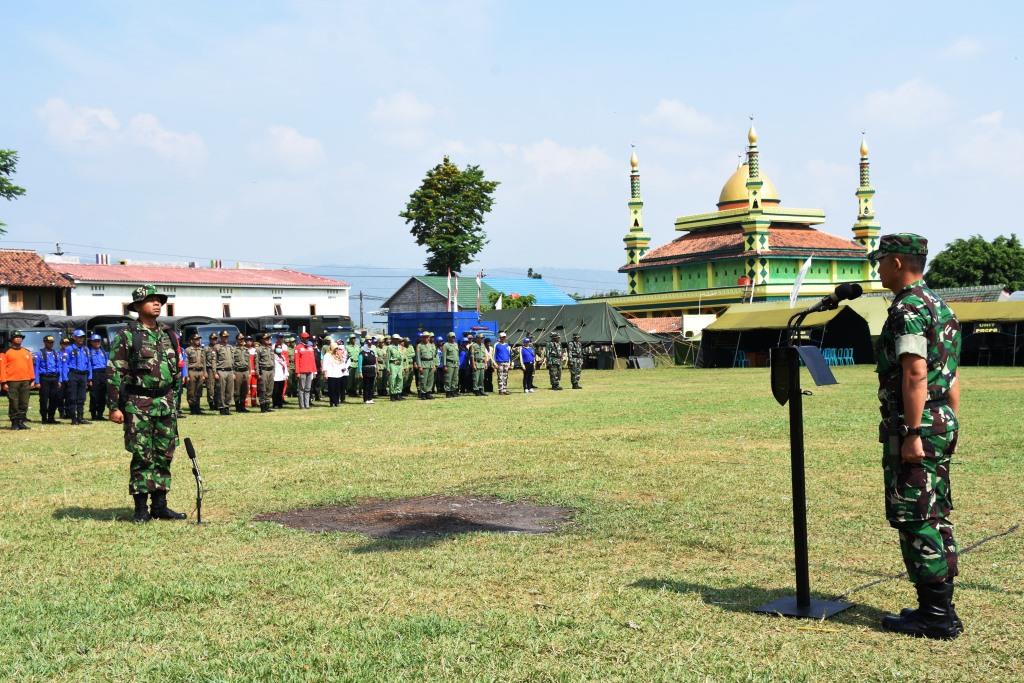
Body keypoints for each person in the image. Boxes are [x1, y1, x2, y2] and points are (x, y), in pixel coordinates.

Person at [870, 234, 963, 640]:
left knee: (915, 516)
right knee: (934, 513)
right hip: (940, 418)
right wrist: (945, 423)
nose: (877, 269)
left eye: (880, 262)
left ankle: (935, 618)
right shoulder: (940, 306)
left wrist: (913, 432)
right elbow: (953, 375)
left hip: (917, 423)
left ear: (895, 263)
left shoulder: (908, 307)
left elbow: (914, 372)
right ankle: (939, 608)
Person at [107, 285, 186, 523]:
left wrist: (174, 400)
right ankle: (141, 509)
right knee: (142, 455)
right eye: (151, 300)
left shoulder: (169, 334)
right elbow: (114, 372)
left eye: (159, 300)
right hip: (138, 404)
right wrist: (114, 407)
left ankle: (160, 505)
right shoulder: (127, 336)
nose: (157, 304)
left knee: (165, 454)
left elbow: (176, 372)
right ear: (138, 306)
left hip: (165, 403)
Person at [2, 330, 36, 430]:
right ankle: (14, 422)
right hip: (12, 381)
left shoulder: (26, 352)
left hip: (25, 381)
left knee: (24, 402)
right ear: (12, 339)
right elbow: (2, 368)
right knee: (14, 402)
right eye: (16, 337)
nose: (19, 339)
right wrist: (3, 382)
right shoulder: (6, 352)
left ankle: (21, 422)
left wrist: (32, 379)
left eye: (20, 337)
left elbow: (30, 367)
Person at [33, 334, 65, 424]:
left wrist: (60, 380)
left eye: (52, 342)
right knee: (44, 399)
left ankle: (51, 417)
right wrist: (37, 381)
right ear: (44, 342)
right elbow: (37, 368)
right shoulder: (39, 353)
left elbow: (59, 367)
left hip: (54, 378)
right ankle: (44, 417)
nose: (50, 344)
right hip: (44, 378)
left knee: (54, 398)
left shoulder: (56, 353)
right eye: (49, 342)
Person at [65, 329, 94, 425]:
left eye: (82, 337)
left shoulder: (86, 349)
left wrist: (90, 377)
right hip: (73, 374)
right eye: (79, 337)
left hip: (83, 375)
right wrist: (65, 377)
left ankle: (80, 417)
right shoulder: (69, 349)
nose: (81, 339)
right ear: (74, 338)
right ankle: (73, 418)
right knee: (73, 397)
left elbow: (88, 363)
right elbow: (65, 364)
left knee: (82, 397)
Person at [86, 333, 110, 419]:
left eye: (98, 341)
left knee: (103, 395)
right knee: (94, 395)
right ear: (91, 342)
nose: (97, 343)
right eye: (95, 341)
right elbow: (88, 366)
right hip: (94, 374)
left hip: (103, 373)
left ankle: (100, 413)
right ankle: (93, 413)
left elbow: (107, 364)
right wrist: (90, 379)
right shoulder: (88, 352)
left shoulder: (104, 352)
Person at [184, 334, 207, 414]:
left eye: (199, 339)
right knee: (191, 391)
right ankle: (192, 408)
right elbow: (186, 363)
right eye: (196, 339)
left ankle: (197, 408)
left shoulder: (202, 350)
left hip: (200, 372)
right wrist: (186, 375)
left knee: (199, 390)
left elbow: (204, 362)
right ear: (191, 340)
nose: (198, 340)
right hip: (192, 371)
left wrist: (204, 373)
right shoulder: (188, 350)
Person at [294, 332, 317, 409]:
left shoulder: (310, 347)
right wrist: (297, 372)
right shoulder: (298, 347)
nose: (307, 339)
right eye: (305, 338)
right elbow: (296, 361)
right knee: (301, 388)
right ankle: (302, 405)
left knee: (308, 388)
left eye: (308, 338)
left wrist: (314, 371)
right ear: (301, 338)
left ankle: (307, 405)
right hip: (302, 371)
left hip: (309, 371)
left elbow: (313, 360)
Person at [215, 330, 235, 416]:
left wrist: (233, 372)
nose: (226, 338)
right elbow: (214, 361)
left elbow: (233, 360)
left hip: (230, 371)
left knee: (229, 391)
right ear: (220, 337)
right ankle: (222, 407)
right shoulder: (217, 347)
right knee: (221, 391)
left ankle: (227, 406)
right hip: (221, 371)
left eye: (227, 336)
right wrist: (215, 372)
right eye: (224, 336)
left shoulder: (230, 347)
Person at [256, 334, 276, 412]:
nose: (268, 340)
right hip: (263, 370)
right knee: (262, 389)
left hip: (270, 370)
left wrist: (274, 371)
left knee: (269, 389)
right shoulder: (259, 349)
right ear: (262, 340)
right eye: (266, 338)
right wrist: (258, 373)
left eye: (268, 338)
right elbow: (256, 362)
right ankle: (263, 406)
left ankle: (267, 405)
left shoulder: (270, 349)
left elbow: (273, 361)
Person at [232, 333, 252, 413]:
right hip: (237, 371)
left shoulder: (246, 350)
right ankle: (238, 406)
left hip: (245, 371)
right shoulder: (233, 350)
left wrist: (249, 371)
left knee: (245, 390)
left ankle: (243, 406)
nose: (241, 341)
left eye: (243, 339)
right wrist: (233, 373)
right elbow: (232, 362)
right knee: (237, 390)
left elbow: (248, 362)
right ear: (237, 340)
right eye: (240, 339)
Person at [415, 332, 436, 400]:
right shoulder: (419, 345)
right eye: (424, 337)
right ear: (422, 337)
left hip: (430, 364)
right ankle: (423, 393)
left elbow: (434, 356)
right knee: (423, 380)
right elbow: (418, 357)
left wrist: (434, 365)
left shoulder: (432, 345)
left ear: (429, 338)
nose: (426, 338)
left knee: (430, 380)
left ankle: (428, 393)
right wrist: (419, 366)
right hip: (423, 364)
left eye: (427, 337)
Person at [360, 336, 378, 404]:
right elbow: (360, 361)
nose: (369, 341)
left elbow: (375, 358)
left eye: (370, 340)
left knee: (371, 385)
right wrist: (360, 371)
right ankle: (366, 398)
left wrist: (376, 367)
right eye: (368, 340)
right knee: (366, 385)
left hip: (372, 369)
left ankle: (370, 398)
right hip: (365, 369)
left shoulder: (372, 350)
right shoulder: (362, 350)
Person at [203, 332, 219, 411]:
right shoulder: (206, 348)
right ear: (210, 339)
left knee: (218, 387)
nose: (214, 340)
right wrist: (205, 372)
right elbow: (204, 361)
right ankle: (211, 403)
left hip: (218, 369)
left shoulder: (219, 347)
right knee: (210, 388)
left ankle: (217, 403)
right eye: (212, 339)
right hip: (209, 369)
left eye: (215, 338)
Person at [272, 337, 289, 408]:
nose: (279, 349)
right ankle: (275, 403)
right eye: (278, 348)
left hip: (282, 376)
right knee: (275, 391)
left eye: (280, 348)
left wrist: (286, 374)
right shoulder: (273, 356)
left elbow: (285, 366)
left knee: (280, 391)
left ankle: (280, 403)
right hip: (275, 376)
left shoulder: (282, 357)